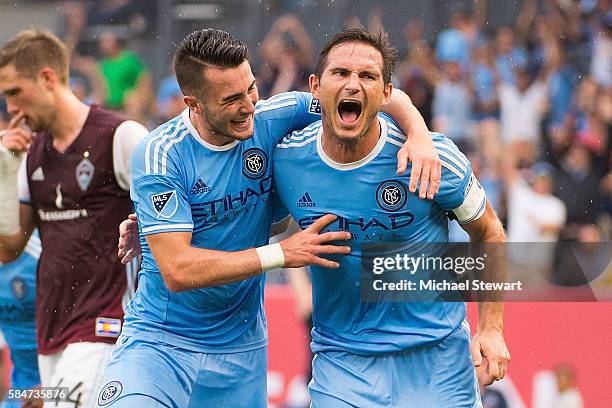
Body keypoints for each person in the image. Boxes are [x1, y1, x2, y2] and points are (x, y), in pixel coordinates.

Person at [100, 28, 441, 408]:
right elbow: (178, 270)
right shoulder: (161, 154)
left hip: (241, 349)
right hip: (161, 344)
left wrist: (419, 133)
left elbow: (370, 95)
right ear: (193, 103)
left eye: (250, 88)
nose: (249, 106)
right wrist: (282, 253)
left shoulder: (273, 116)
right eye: (231, 99)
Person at [272, 28, 510, 407]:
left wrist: (492, 328)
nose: (353, 85)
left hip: (439, 359)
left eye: (367, 76)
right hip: (343, 362)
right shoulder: (286, 161)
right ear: (316, 86)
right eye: (341, 74)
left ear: (386, 94)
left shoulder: (432, 159)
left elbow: (489, 232)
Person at [0, 29, 148, 407]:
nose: (11, 108)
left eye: (15, 93)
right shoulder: (30, 154)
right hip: (51, 333)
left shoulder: (121, 136)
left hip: (107, 326)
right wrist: (3, 169)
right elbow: (8, 248)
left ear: (48, 78)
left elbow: (171, 221)